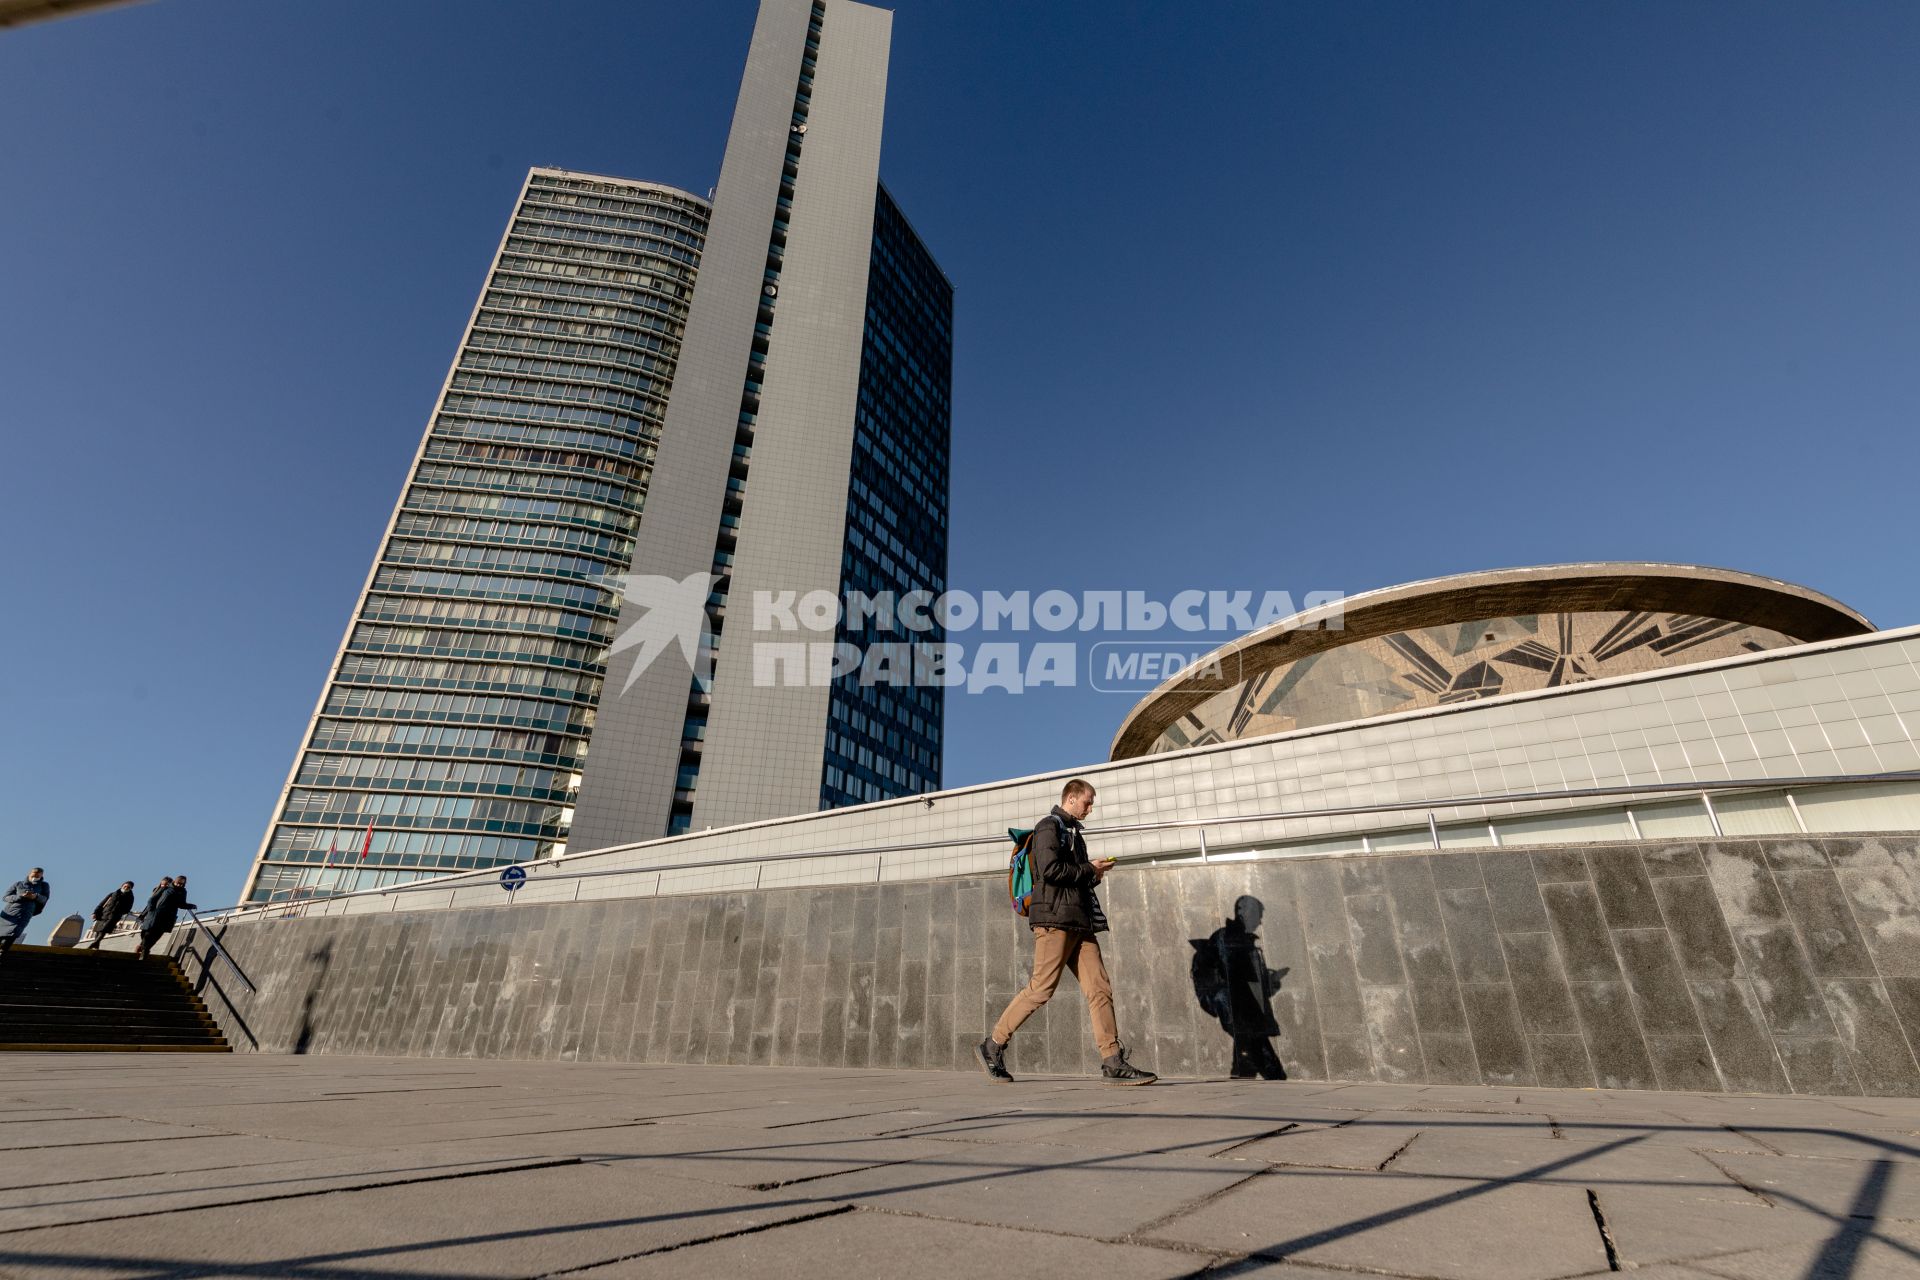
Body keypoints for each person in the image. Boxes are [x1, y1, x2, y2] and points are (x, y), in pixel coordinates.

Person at [978, 780, 1157, 1085]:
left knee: (1099, 987)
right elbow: (1049, 870)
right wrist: (1088, 868)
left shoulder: (1074, 833)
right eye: (1088, 801)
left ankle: (1112, 1060)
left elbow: (1075, 878)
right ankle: (993, 1045)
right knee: (1041, 989)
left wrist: (1094, 873)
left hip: (1079, 921)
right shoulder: (1049, 826)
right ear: (1071, 799)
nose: (1091, 807)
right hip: (1055, 921)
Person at [1192, 895, 1288, 1080]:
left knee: (1249, 1063)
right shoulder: (1230, 938)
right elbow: (1235, 978)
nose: (1260, 921)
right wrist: (1220, 1002)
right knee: (1269, 1066)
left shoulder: (1242, 940)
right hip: (1240, 1013)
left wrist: (1270, 981)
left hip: (1244, 1014)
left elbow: (1248, 981)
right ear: (1242, 913)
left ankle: (1243, 1072)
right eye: (1257, 914)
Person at [133, 875, 194, 960]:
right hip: (156, 914)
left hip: (168, 917)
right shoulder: (166, 888)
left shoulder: (183, 892)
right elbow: (152, 899)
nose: (180, 885)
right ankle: (144, 947)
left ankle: (145, 951)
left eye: (182, 884)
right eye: (178, 883)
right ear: (175, 882)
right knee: (146, 933)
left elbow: (181, 904)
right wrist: (151, 909)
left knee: (157, 934)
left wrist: (190, 906)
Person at [0, 868, 52, 959]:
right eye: (33, 875)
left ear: (41, 875)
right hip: (10, 912)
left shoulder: (44, 885)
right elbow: (5, 897)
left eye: (37, 876)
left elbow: (45, 899)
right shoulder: (18, 884)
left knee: (14, 933)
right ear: (29, 874)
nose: (35, 877)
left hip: (25, 913)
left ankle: (2, 953)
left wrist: (35, 896)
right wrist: (20, 896)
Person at [86, 881, 137, 950]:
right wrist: (95, 912)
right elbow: (102, 903)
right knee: (98, 931)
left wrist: (119, 911)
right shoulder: (112, 894)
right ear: (121, 886)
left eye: (128, 887)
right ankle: (96, 945)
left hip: (114, 916)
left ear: (131, 889)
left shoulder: (130, 897)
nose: (126, 888)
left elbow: (128, 909)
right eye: (125, 886)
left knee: (104, 930)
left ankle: (93, 944)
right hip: (104, 914)